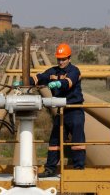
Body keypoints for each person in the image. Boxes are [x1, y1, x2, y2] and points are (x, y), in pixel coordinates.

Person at [31, 43, 86, 177]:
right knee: (55, 141)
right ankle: (50, 169)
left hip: (74, 110)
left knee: (77, 141)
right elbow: (39, 77)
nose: (61, 62)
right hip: (61, 111)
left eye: (63, 59)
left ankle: (78, 169)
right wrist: (24, 82)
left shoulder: (74, 71)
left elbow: (68, 82)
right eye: (59, 59)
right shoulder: (53, 71)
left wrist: (58, 83)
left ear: (69, 58)